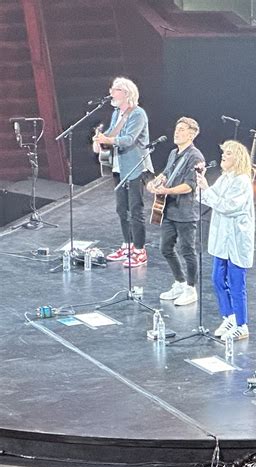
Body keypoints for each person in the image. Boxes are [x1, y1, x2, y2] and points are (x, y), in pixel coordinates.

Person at [196, 140, 255, 340]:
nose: (223, 156)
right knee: (217, 278)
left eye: (228, 153)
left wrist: (207, 189)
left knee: (236, 282)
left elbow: (229, 206)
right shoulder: (224, 178)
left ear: (238, 158)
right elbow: (208, 199)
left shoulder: (242, 181)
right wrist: (201, 186)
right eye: (223, 152)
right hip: (222, 239)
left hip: (236, 240)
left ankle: (242, 324)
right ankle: (229, 316)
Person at [93, 76, 153, 268]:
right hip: (119, 166)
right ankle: (127, 246)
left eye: (115, 89)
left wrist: (108, 140)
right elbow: (112, 133)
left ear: (126, 93)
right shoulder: (116, 113)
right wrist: (100, 139)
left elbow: (128, 139)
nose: (111, 92)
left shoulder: (138, 114)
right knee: (121, 209)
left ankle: (139, 250)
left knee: (135, 209)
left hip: (135, 166)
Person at [147, 117, 205, 306]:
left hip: (185, 211)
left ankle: (191, 288)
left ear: (192, 133)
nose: (176, 132)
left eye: (181, 129)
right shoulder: (174, 153)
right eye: (176, 128)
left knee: (188, 250)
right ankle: (179, 282)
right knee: (165, 248)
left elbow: (190, 186)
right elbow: (167, 173)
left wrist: (167, 191)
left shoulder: (195, 157)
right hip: (169, 209)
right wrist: (156, 182)